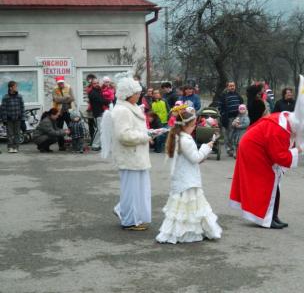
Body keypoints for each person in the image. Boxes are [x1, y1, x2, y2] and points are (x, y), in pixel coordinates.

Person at [230, 75, 304, 229]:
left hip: (255, 146)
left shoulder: (286, 122)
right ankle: (266, 217)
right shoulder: (280, 129)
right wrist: (300, 149)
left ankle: (272, 216)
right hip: (253, 150)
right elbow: (280, 157)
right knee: (267, 181)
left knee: (275, 182)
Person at [156, 105, 222, 244]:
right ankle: (185, 232)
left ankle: (185, 231)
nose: (194, 128)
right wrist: (207, 147)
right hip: (188, 180)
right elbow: (195, 158)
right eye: (192, 125)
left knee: (183, 208)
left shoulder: (178, 137)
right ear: (184, 126)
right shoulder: (186, 139)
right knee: (190, 207)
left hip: (183, 178)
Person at [110, 77, 152, 231]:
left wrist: (148, 133)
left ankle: (135, 217)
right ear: (128, 94)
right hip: (130, 156)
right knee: (131, 190)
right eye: (136, 93)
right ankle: (129, 219)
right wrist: (145, 137)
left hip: (136, 155)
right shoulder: (122, 110)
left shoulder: (130, 107)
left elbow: (135, 130)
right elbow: (123, 135)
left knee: (139, 190)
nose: (139, 95)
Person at [219, 81, 244, 157]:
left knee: (236, 134)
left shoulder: (238, 95)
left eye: (233, 86)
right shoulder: (224, 96)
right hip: (228, 118)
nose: (232, 87)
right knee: (229, 134)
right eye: (230, 86)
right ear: (227, 87)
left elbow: (242, 104)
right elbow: (220, 107)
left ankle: (234, 149)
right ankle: (229, 149)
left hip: (237, 117)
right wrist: (223, 114)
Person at [1, 80, 25, 153]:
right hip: (9, 119)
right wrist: (4, 119)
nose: (16, 88)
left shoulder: (19, 96)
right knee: (10, 134)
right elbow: (3, 109)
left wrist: (23, 118)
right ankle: (10, 147)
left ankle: (16, 147)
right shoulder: (5, 97)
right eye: (15, 86)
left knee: (17, 133)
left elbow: (22, 107)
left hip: (18, 118)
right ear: (11, 88)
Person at [52, 76, 75, 151]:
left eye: (62, 83)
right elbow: (56, 100)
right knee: (59, 129)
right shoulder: (55, 89)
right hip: (59, 112)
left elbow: (72, 98)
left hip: (68, 111)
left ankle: (75, 143)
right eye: (59, 83)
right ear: (57, 83)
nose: (60, 84)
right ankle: (61, 146)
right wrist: (66, 98)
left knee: (72, 127)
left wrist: (62, 99)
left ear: (64, 82)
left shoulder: (69, 87)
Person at [88, 78, 106, 151]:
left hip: (101, 112)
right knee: (98, 129)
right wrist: (109, 101)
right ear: (92, 84)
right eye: (95, 83)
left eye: (97, 83)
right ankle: (94, 144)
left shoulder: (98, 91)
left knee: (101, 129)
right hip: (97, 113)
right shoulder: (93, 93)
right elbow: (101, 101)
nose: (97, 84)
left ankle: (99, 144)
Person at [85, 74, 97, 144]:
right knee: (91, 125)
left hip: (96, 109)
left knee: (97, 125)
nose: (90, 81)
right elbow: (89, 96)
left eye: (91, 80)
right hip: (90, 109)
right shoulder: (88, 87)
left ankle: (97, 140)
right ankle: (92, 139)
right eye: (89, 80)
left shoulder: (97, 87)